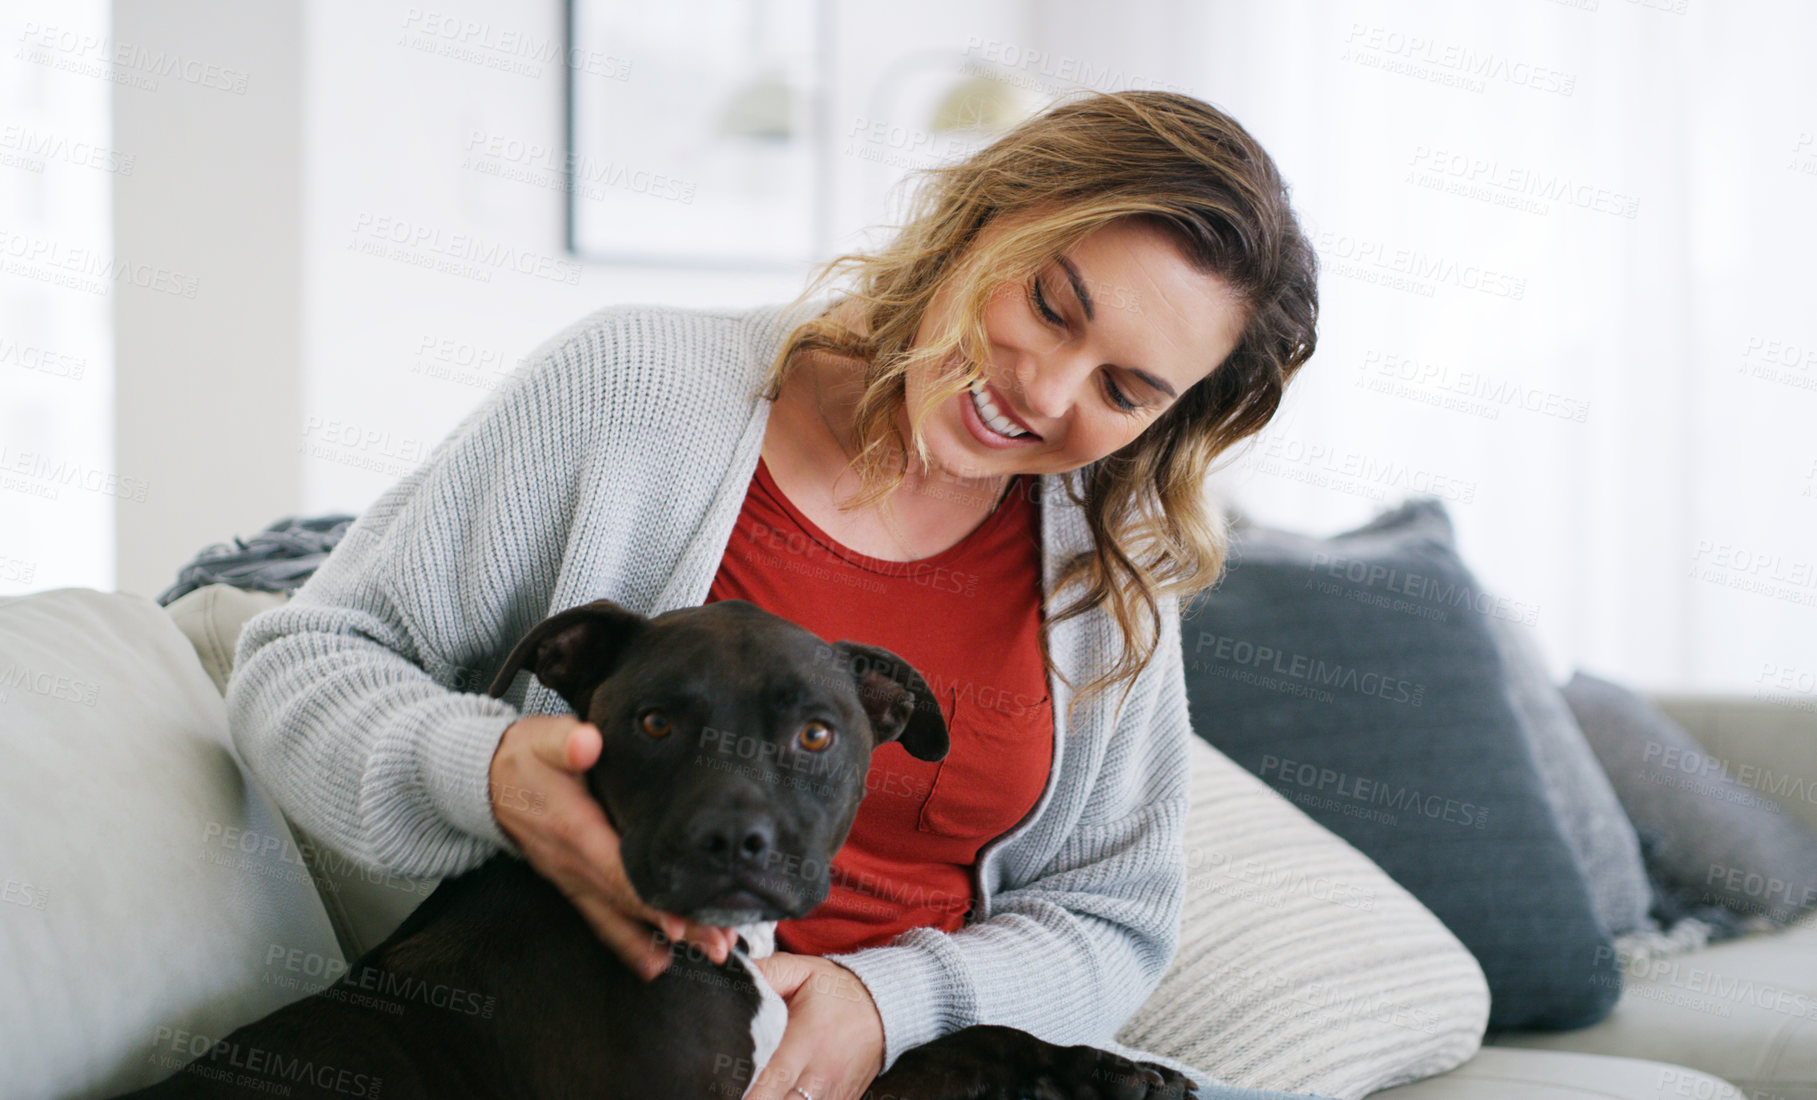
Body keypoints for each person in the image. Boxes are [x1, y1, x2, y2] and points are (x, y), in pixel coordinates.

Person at [227, 88, 1318, 1100]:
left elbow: (1110, 915)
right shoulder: (639, 389)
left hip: (927, 1066)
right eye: (1046, 303)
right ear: (984, 219)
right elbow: (303, 661)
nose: (1042, 389)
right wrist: (487, 769)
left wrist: (884, 1006)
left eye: (1122, 390)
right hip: (608, 1039)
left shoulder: (1105, 561)